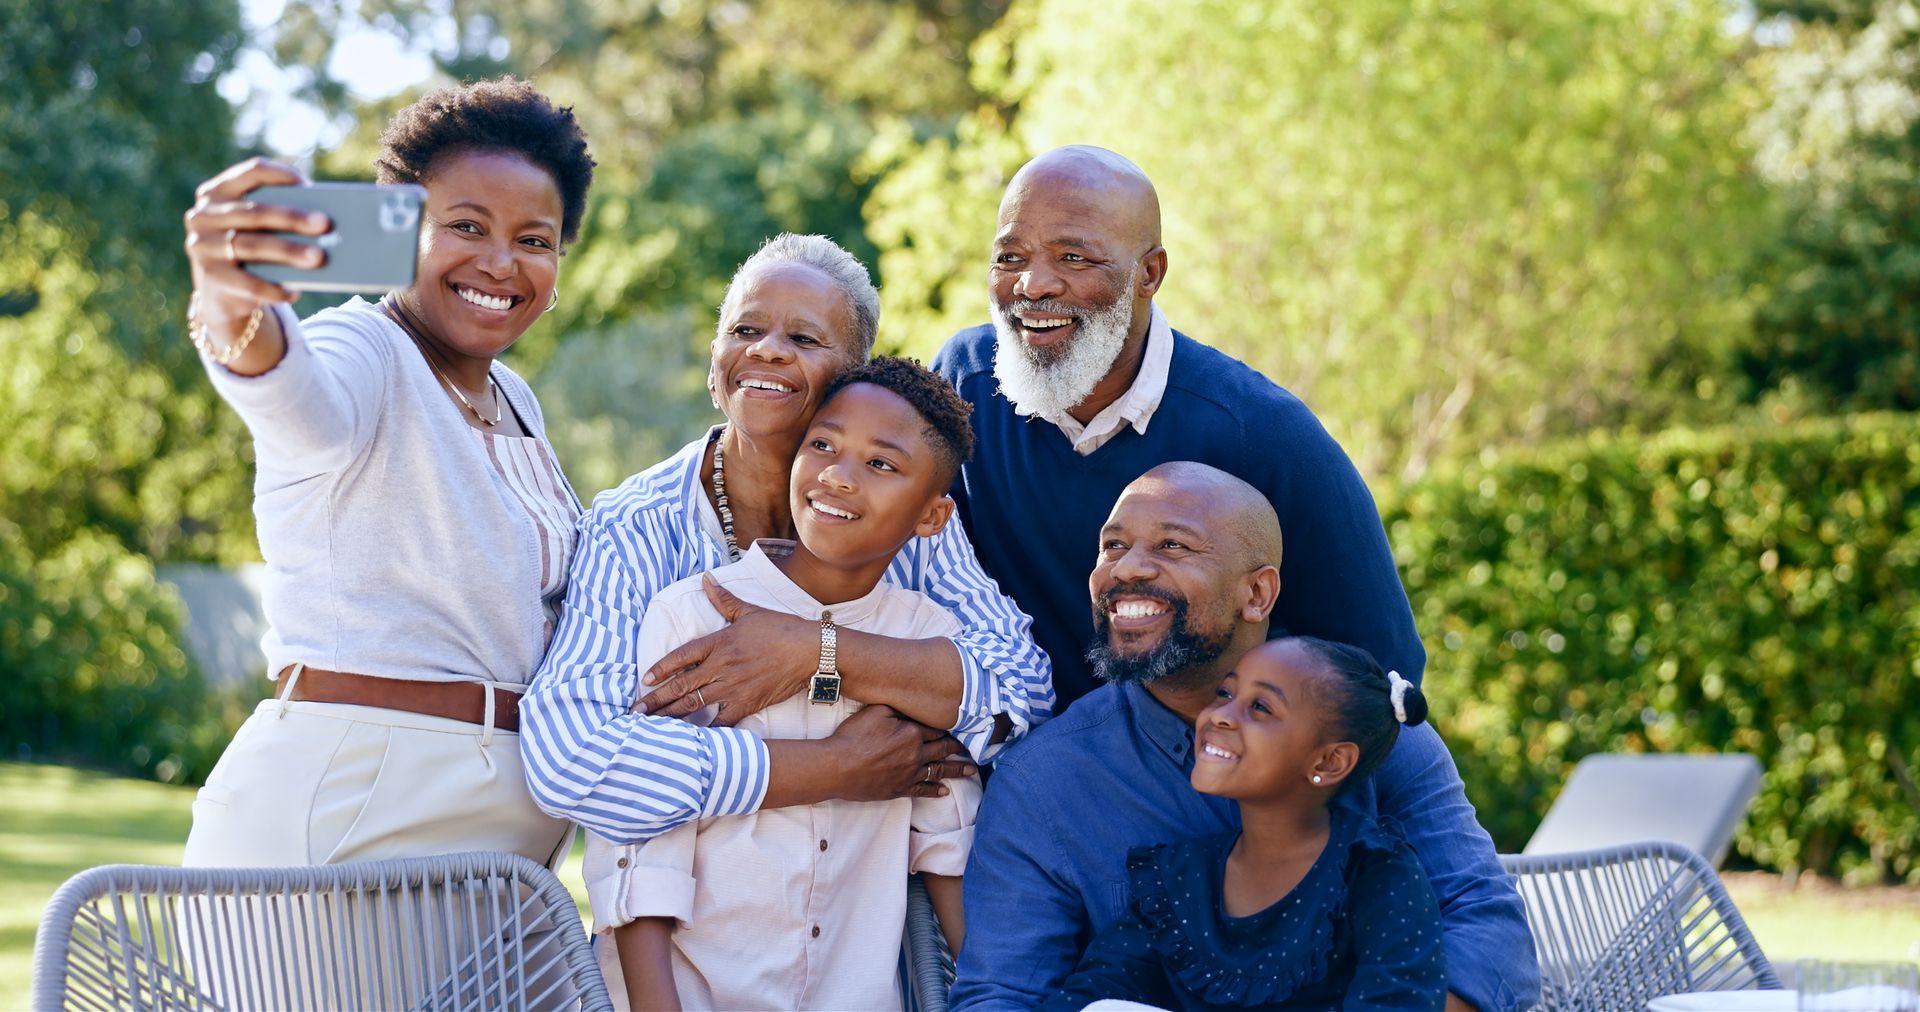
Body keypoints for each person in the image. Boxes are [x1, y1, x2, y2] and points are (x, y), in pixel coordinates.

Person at [933, 146, 1538, 1010]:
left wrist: (1282, 759)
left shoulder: (1263, 432)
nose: (1034, 284)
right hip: (1089, 798)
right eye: (1009, 256)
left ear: (1151, 274)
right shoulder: (963, 389)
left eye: (1074, 256)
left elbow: (1381, 674)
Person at [178, 78, 595, 868]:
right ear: (401, 231)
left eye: (535, 240)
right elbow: (300, 404)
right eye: (466, 226)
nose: (501, 263)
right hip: (352, 811)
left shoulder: (517, 399)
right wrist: (232, 310)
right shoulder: (365, 347)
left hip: (501, 839)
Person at [519, 234, 1050, 852]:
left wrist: (816, 652)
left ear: (854, 378)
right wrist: (832, 767)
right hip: (688, 924)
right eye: (745, 331)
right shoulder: (635, 526)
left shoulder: (900, 518)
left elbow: (1022, 693)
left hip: (866, 911)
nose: (767, 351)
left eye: (803, 339)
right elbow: (571, 757)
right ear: (715, 363)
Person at [950, 464, 1538, 1012]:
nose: (1127, 568)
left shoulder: (1372, 735)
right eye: (1113, 546)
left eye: (1173, 545)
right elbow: (1002, 994)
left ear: (1257, 594)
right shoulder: (1045, 783)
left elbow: (1485, 924)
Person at [586, 358, 981, 1011]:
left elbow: (947, 847)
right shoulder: (691, 617)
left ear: (932, 517)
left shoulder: (924, 644)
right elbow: (642, 851)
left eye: (880, 464)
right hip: (693, 993)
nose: (837, 475)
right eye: (822, 444)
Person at [1043, 636, 1446, 1011]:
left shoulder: (1374, 871)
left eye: (1260, 707)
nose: (1220, 716)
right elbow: (1096, 992)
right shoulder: (1180, 880)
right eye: (1225, 693)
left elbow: (1397, 999)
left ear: (1329, 761)